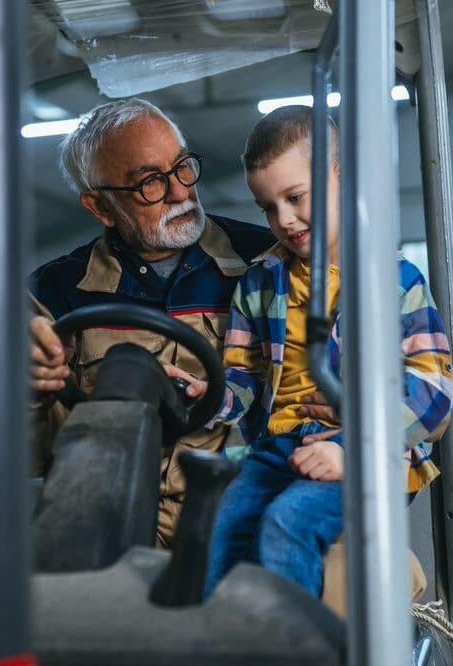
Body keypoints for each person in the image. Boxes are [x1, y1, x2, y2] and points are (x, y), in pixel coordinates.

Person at [172, 105, 453, 598]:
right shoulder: (260, 281)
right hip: (277, 446)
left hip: (364, 452)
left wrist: (353, 447)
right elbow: (243, 374)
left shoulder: (396, 281)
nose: (283, 219)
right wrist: (210, 394)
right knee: (221, 524)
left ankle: (296, 647)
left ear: (339, 174)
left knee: (288, 522)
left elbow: (433, 393)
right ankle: (228, 643)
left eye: (296, 197)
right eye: (267, 206)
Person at [28, 98, 320, 547]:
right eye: (150, 183)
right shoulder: (54, 295)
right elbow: (26, 457)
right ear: (100, 207)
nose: (181, 192)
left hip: (243, 527)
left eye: (183, 167)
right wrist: (32, 393)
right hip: (110, 536)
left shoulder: (269, 265)